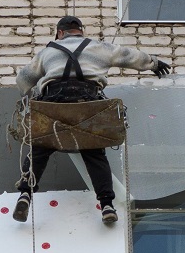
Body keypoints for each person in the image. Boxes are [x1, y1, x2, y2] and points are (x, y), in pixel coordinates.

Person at [12, 16, 170, 225]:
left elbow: (23, 80)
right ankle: (107, 206)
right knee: (94, 153)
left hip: (54, 104)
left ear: (60, 33)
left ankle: (25, 194)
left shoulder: (47, 52)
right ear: (81, 31)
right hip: (88, 104)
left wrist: (30, 92)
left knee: (40, 148)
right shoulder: (98, 47)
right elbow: (128, 55)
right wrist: (154, 63)